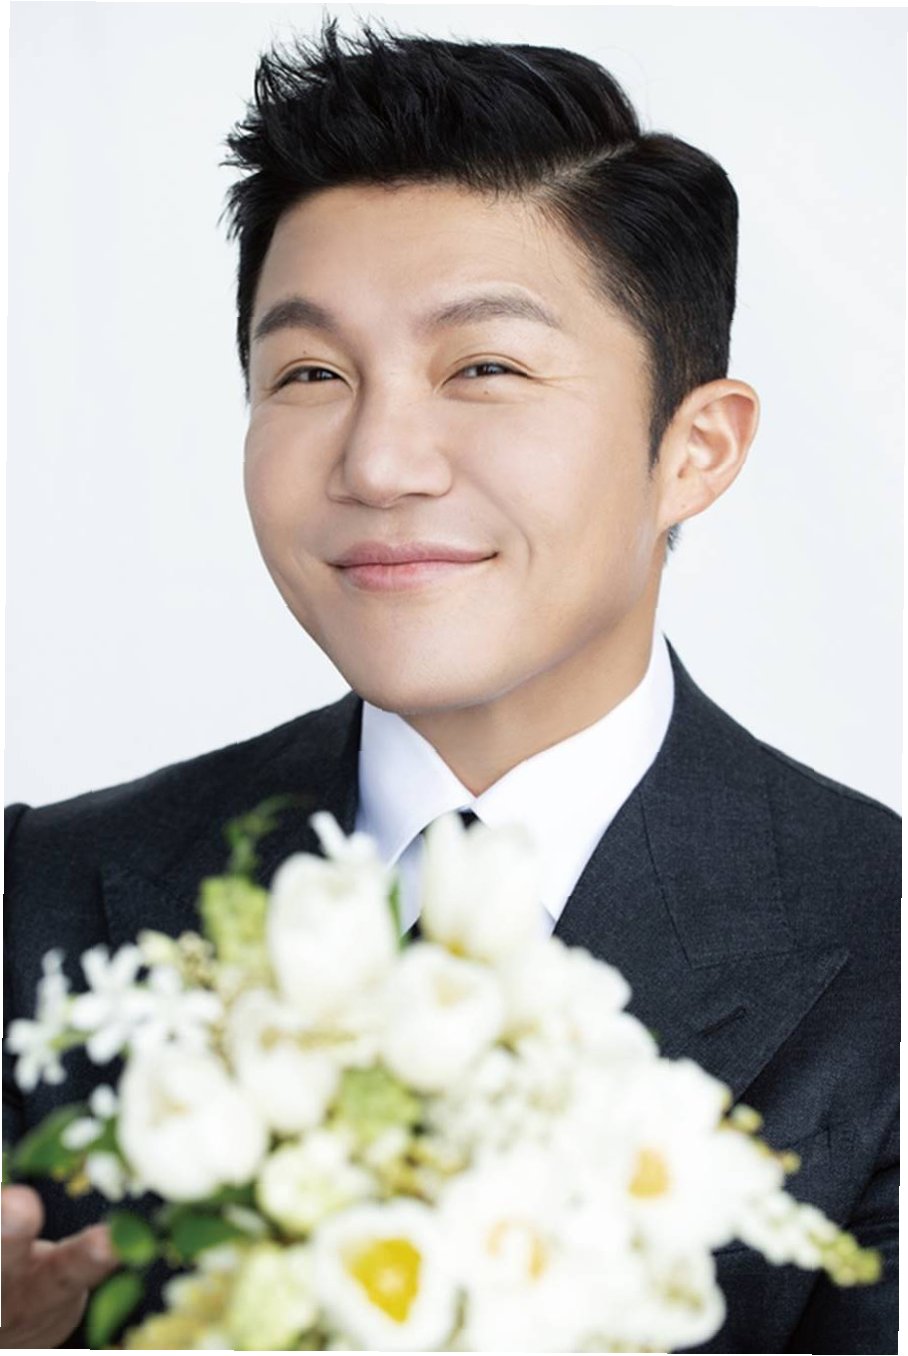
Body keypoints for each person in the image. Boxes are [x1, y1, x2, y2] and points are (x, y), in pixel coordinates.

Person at [2, 19, 898, 1352]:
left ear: (694, 450)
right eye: (310, 374)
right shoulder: (44, 891)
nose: (379, 462)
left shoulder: (881, 937)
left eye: (484, 368)